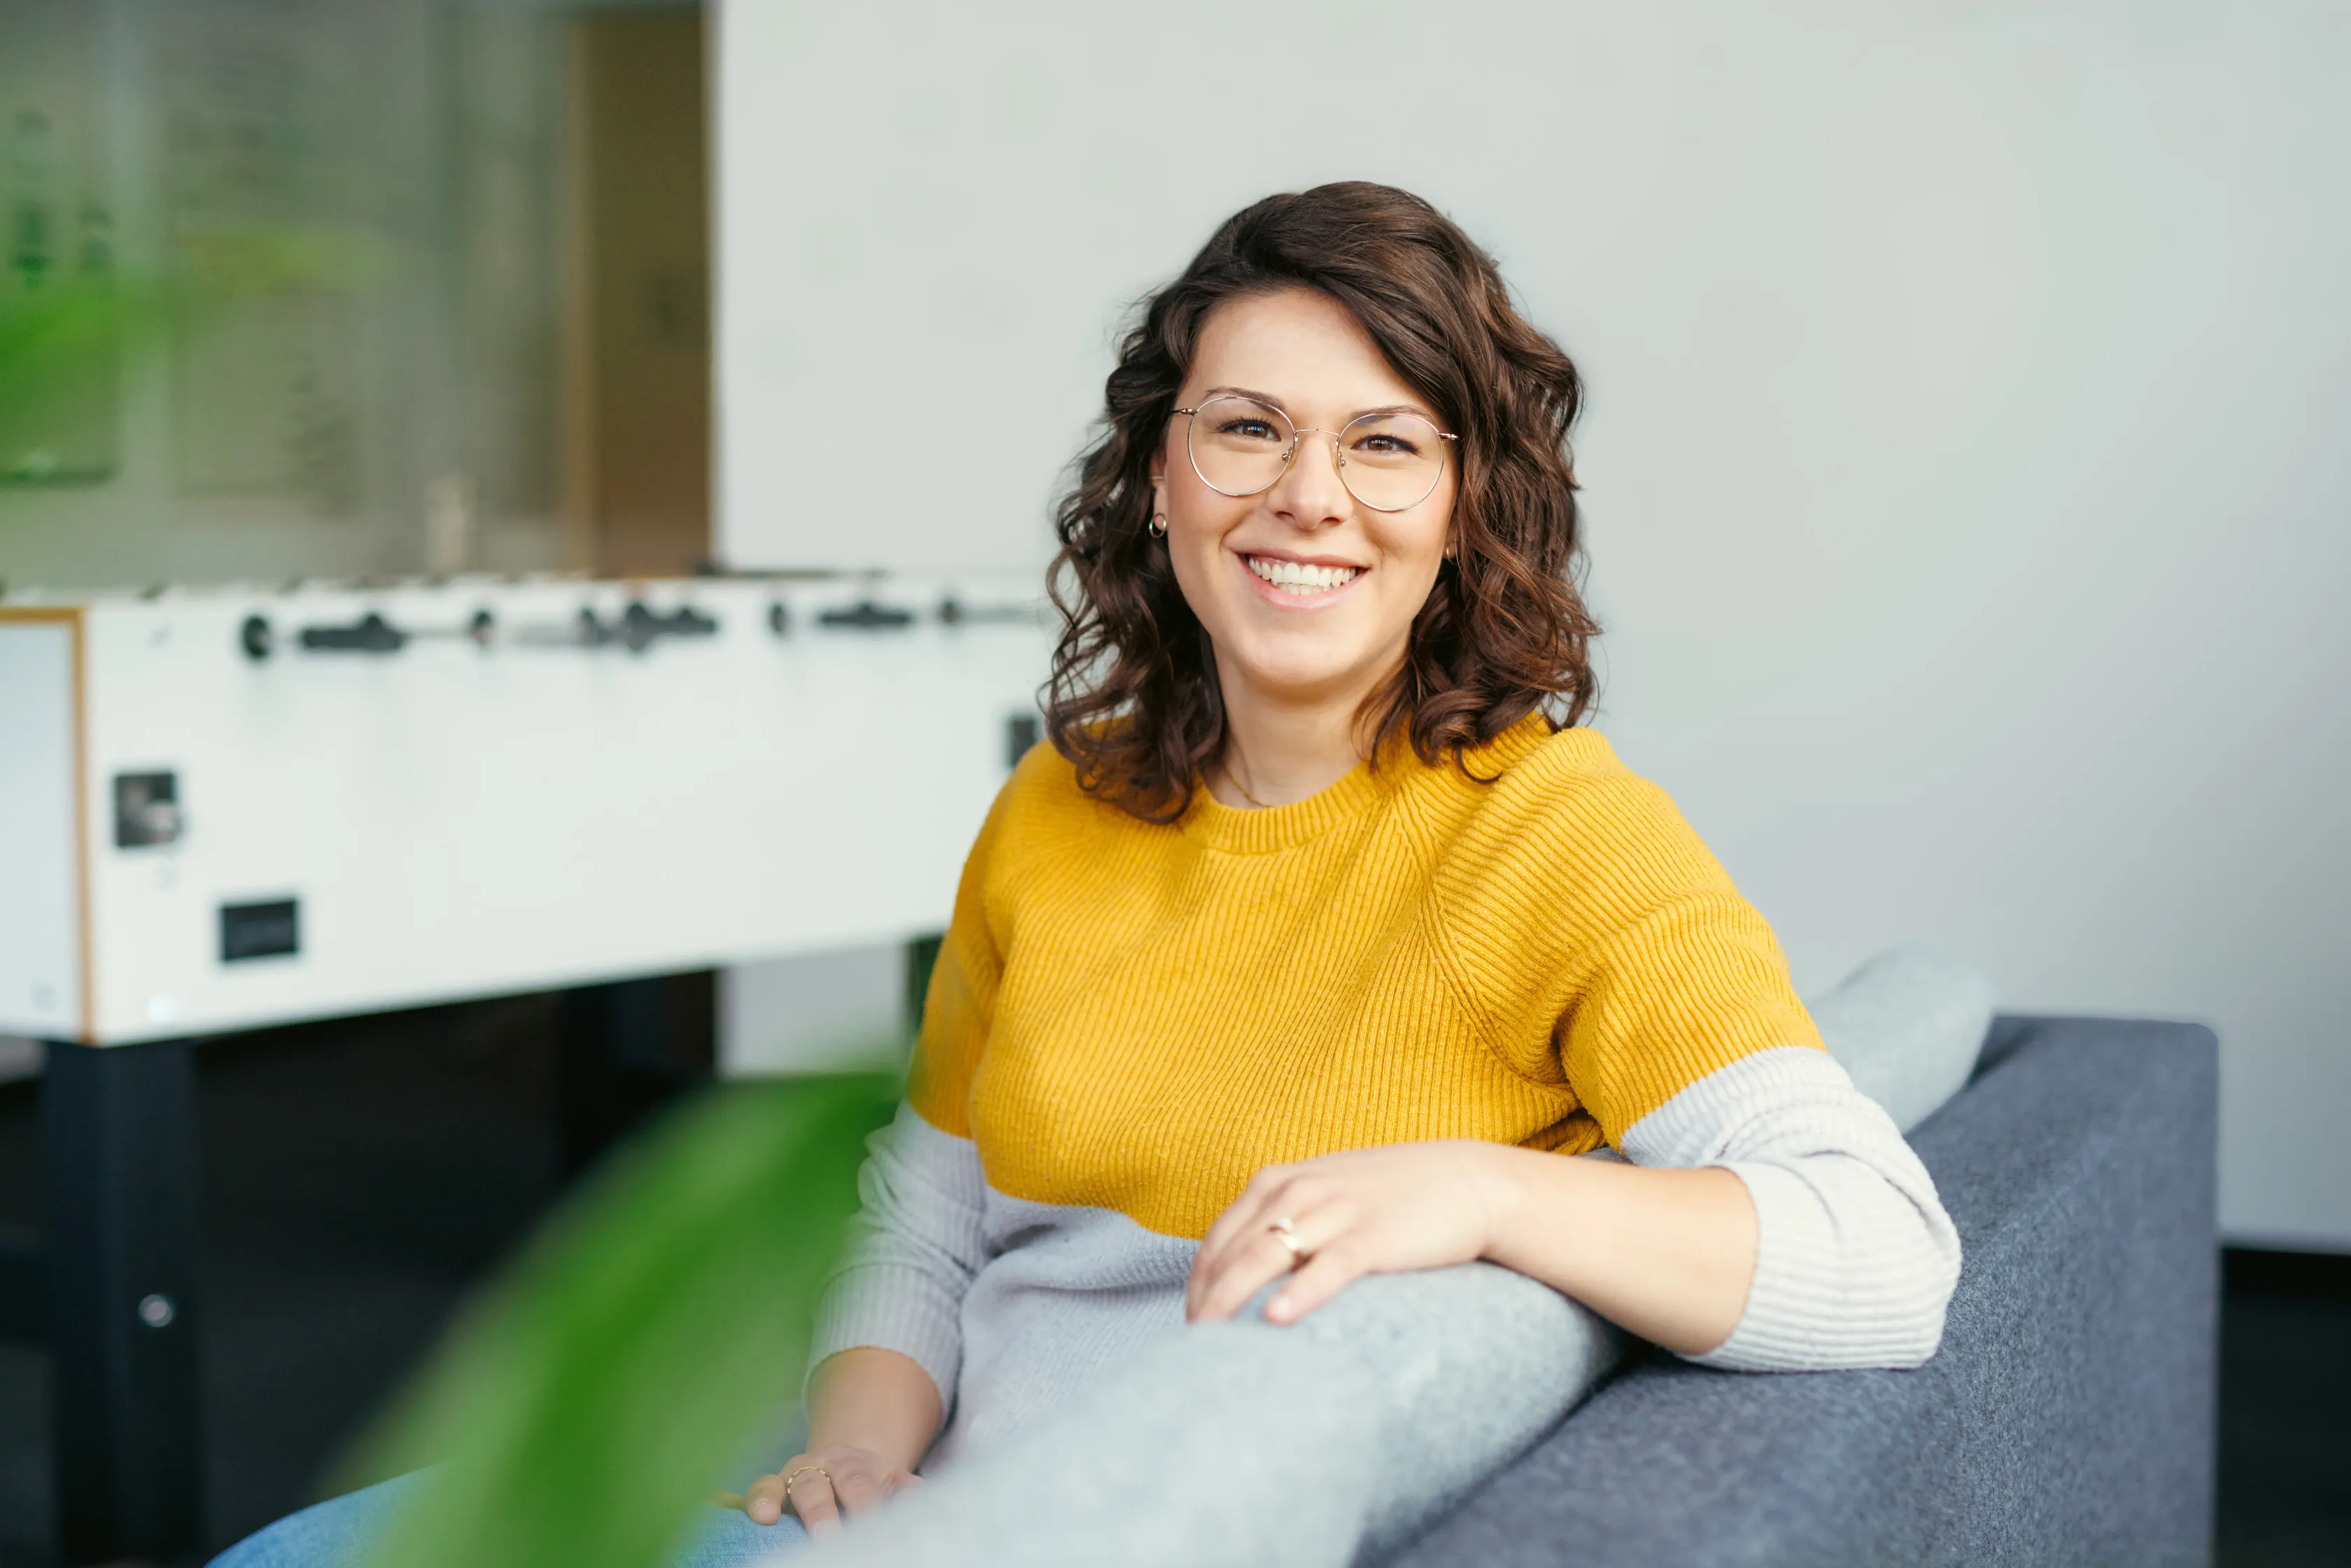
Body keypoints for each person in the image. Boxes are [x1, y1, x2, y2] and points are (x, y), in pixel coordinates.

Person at [213, 182, 1958, 1568]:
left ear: (1466, 505)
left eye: (1385, 441)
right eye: (1246, 427)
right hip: (918, 1501)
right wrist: (859, 1451)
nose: (1307, 498)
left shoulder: (1556, 832)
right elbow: (927, 1211)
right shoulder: (1055, 809)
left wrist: (1489, 1195)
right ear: (1158, 472)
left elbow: (1883, 1255)